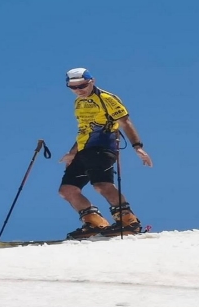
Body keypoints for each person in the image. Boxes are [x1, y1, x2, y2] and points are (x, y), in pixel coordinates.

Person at [58, 68, 153, 239]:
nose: (79, 90)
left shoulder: (107, 99)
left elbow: (125, 123)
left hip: (103, 146)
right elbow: (84, 130)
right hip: (84, 149)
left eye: (82, 85)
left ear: (92, 81)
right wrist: (72, 153)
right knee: (67, 190)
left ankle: (129, 221)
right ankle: (94, 223)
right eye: (73, 87)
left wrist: (137, 147)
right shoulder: (78, 103)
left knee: (101, 185)